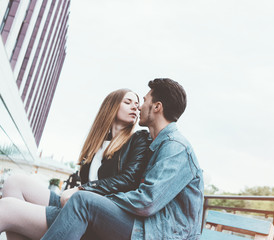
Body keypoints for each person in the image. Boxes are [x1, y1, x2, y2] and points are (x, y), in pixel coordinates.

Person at [41, 78, 204, 240]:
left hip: (160, 234)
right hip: (146, 226)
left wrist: (100, 199)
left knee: (83, 200)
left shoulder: (176, 147)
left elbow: (147, 201)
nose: (139, 107)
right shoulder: (156, 145)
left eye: (144, 100)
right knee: (78, 203)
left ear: (157, 107)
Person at [0, 89, 150, 240]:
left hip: (91, 213)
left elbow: (128, 179)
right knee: (14, 182)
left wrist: (80, 189)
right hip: (76, 203)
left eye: (137, 105)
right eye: (127, 102)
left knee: (6, 208)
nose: (135, 108)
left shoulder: (138, 139)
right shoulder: (95, 143)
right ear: (111, 106)